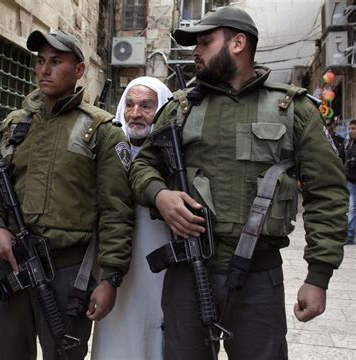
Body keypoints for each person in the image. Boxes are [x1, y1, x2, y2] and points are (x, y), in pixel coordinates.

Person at [130, 7, 348, 360]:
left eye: (205, 42)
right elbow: (142, 167)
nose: (195, 52)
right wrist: (161, 195)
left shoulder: (291, 108)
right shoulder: (182, 107)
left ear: (238, 43)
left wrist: (318, 275)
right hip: (189, 272)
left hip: (257, 278)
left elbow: (328, 192)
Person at [0, 29, 133, 360]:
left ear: (79, 70)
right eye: (41, 61)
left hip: (68, 274)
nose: (45, 70)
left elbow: (116, 210)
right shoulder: (14, 125)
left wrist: (111, 279)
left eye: (56, 62)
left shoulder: (102, 131)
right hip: (14, 266)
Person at [91, 76, 172, 360]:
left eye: (146, 106)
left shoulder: (174, 157)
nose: (135, 114)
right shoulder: (106, 150)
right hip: (113, 269)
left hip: (160, 267)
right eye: (129, 104)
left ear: (162, 109)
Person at [342, 119, 356, 245]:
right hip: (351, 181)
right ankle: (350, 235)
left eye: (354, 128)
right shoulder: (348, 143)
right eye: (350, 128)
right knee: (352, 208)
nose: (351, 131)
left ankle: (350, 235)